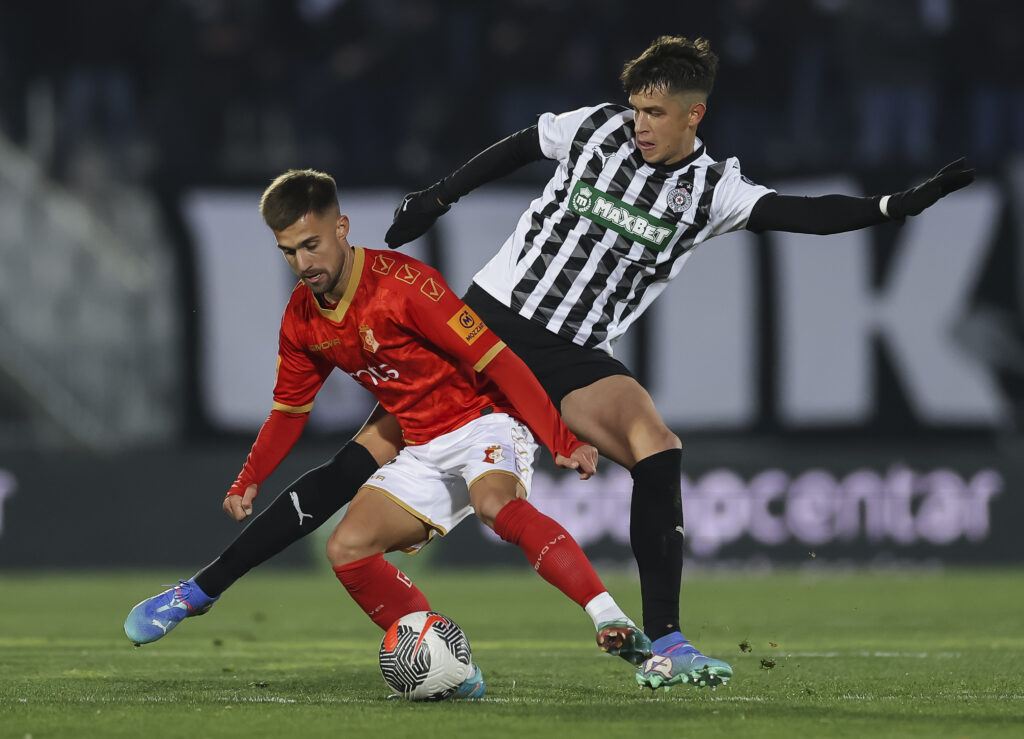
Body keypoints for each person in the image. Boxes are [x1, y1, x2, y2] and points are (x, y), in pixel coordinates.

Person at [129, 35, 975, 693]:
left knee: (657, 442)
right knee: (356, 461)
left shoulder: (713, 191)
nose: (638, 121)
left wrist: (895, 206)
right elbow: (519, 144)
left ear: (694, 116)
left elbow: (804, 213)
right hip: (487, 318)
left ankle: (668, 641)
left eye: (655, 111)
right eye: (635, 105)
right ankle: (200, 589)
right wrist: (439, 196)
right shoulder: (597, 127)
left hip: (571, 353)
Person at [124, 170, 652, 698]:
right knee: (346, 548)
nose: (304, 264)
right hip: (419, 438)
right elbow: (288, 412)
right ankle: (449, 666)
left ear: (342, 228)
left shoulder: (406, 286)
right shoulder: (303, 319)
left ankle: (610, 617)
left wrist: (559, 437)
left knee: (495, 505)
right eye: (289, 252)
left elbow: (498, 359)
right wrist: (250, 476)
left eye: (311, 245)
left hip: (483, 418)